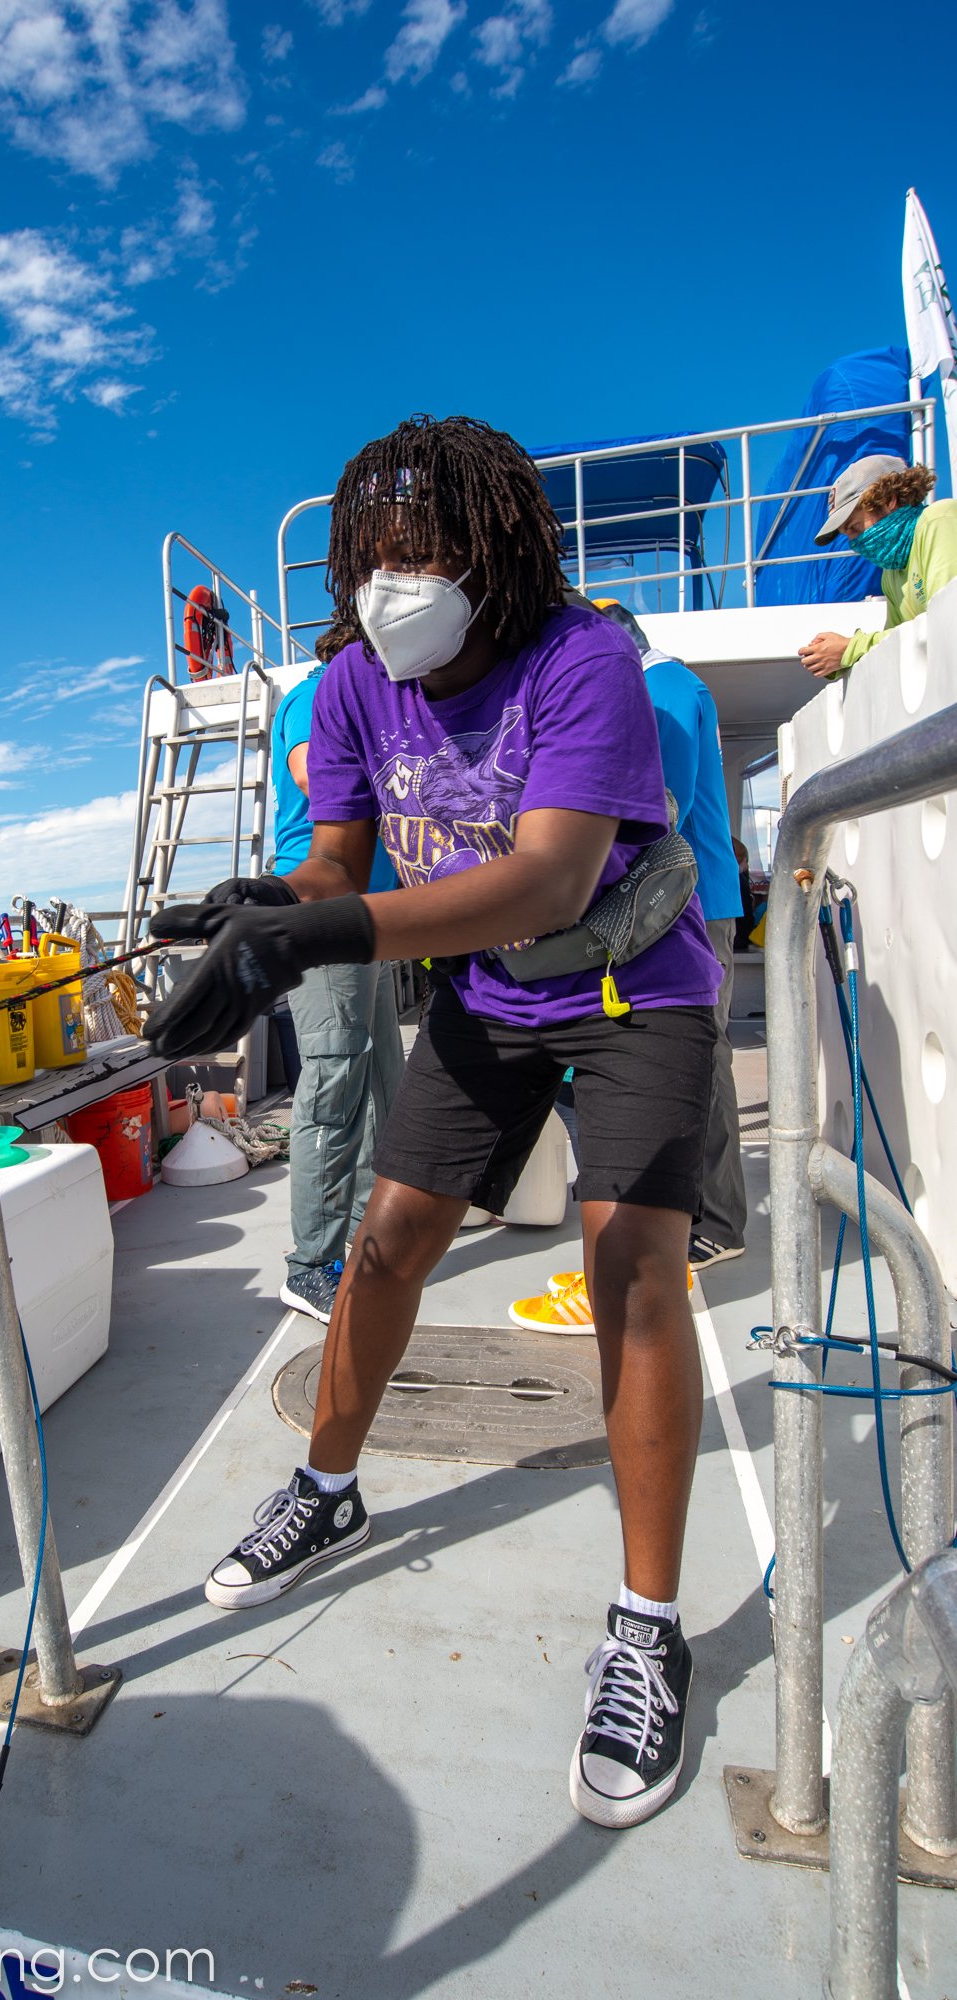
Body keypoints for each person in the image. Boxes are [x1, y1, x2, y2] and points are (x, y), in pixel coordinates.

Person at [145, 414, 723, 1830]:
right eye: (374, 558)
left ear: (493, 551)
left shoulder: (583, 657)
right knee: (386, 1243)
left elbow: (545, 878)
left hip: (629, 982)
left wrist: (324, 935)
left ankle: (647, 1624)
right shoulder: (350, 685)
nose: (394, 583)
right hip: (485, 998)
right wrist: (268, 904)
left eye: (425, 554)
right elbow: (336, 851)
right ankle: (325, 1485)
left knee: (629, 1273)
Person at [510, 598, 745, 1335]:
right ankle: (689, 1216)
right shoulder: (658, 683)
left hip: (685, 904)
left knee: (695, 1061)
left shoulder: (662, 686)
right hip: (657, 905)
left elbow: (654, 807)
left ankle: (710, 1226)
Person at [269, 618, 404, 1321]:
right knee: (333, 1076)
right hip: (322, 909)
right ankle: (309, 1264)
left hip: (372, 917)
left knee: (383, 1080)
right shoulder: (316, 690)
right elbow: (309, 770)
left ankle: (360, 1237)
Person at [799, 456, 957, 681]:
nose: (855, 543)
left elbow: (947, 623)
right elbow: (896, 648)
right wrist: (839, 658)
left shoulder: (939, 521)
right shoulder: (891, 572)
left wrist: (849, 649)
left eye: (854, 527)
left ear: (888, 500)